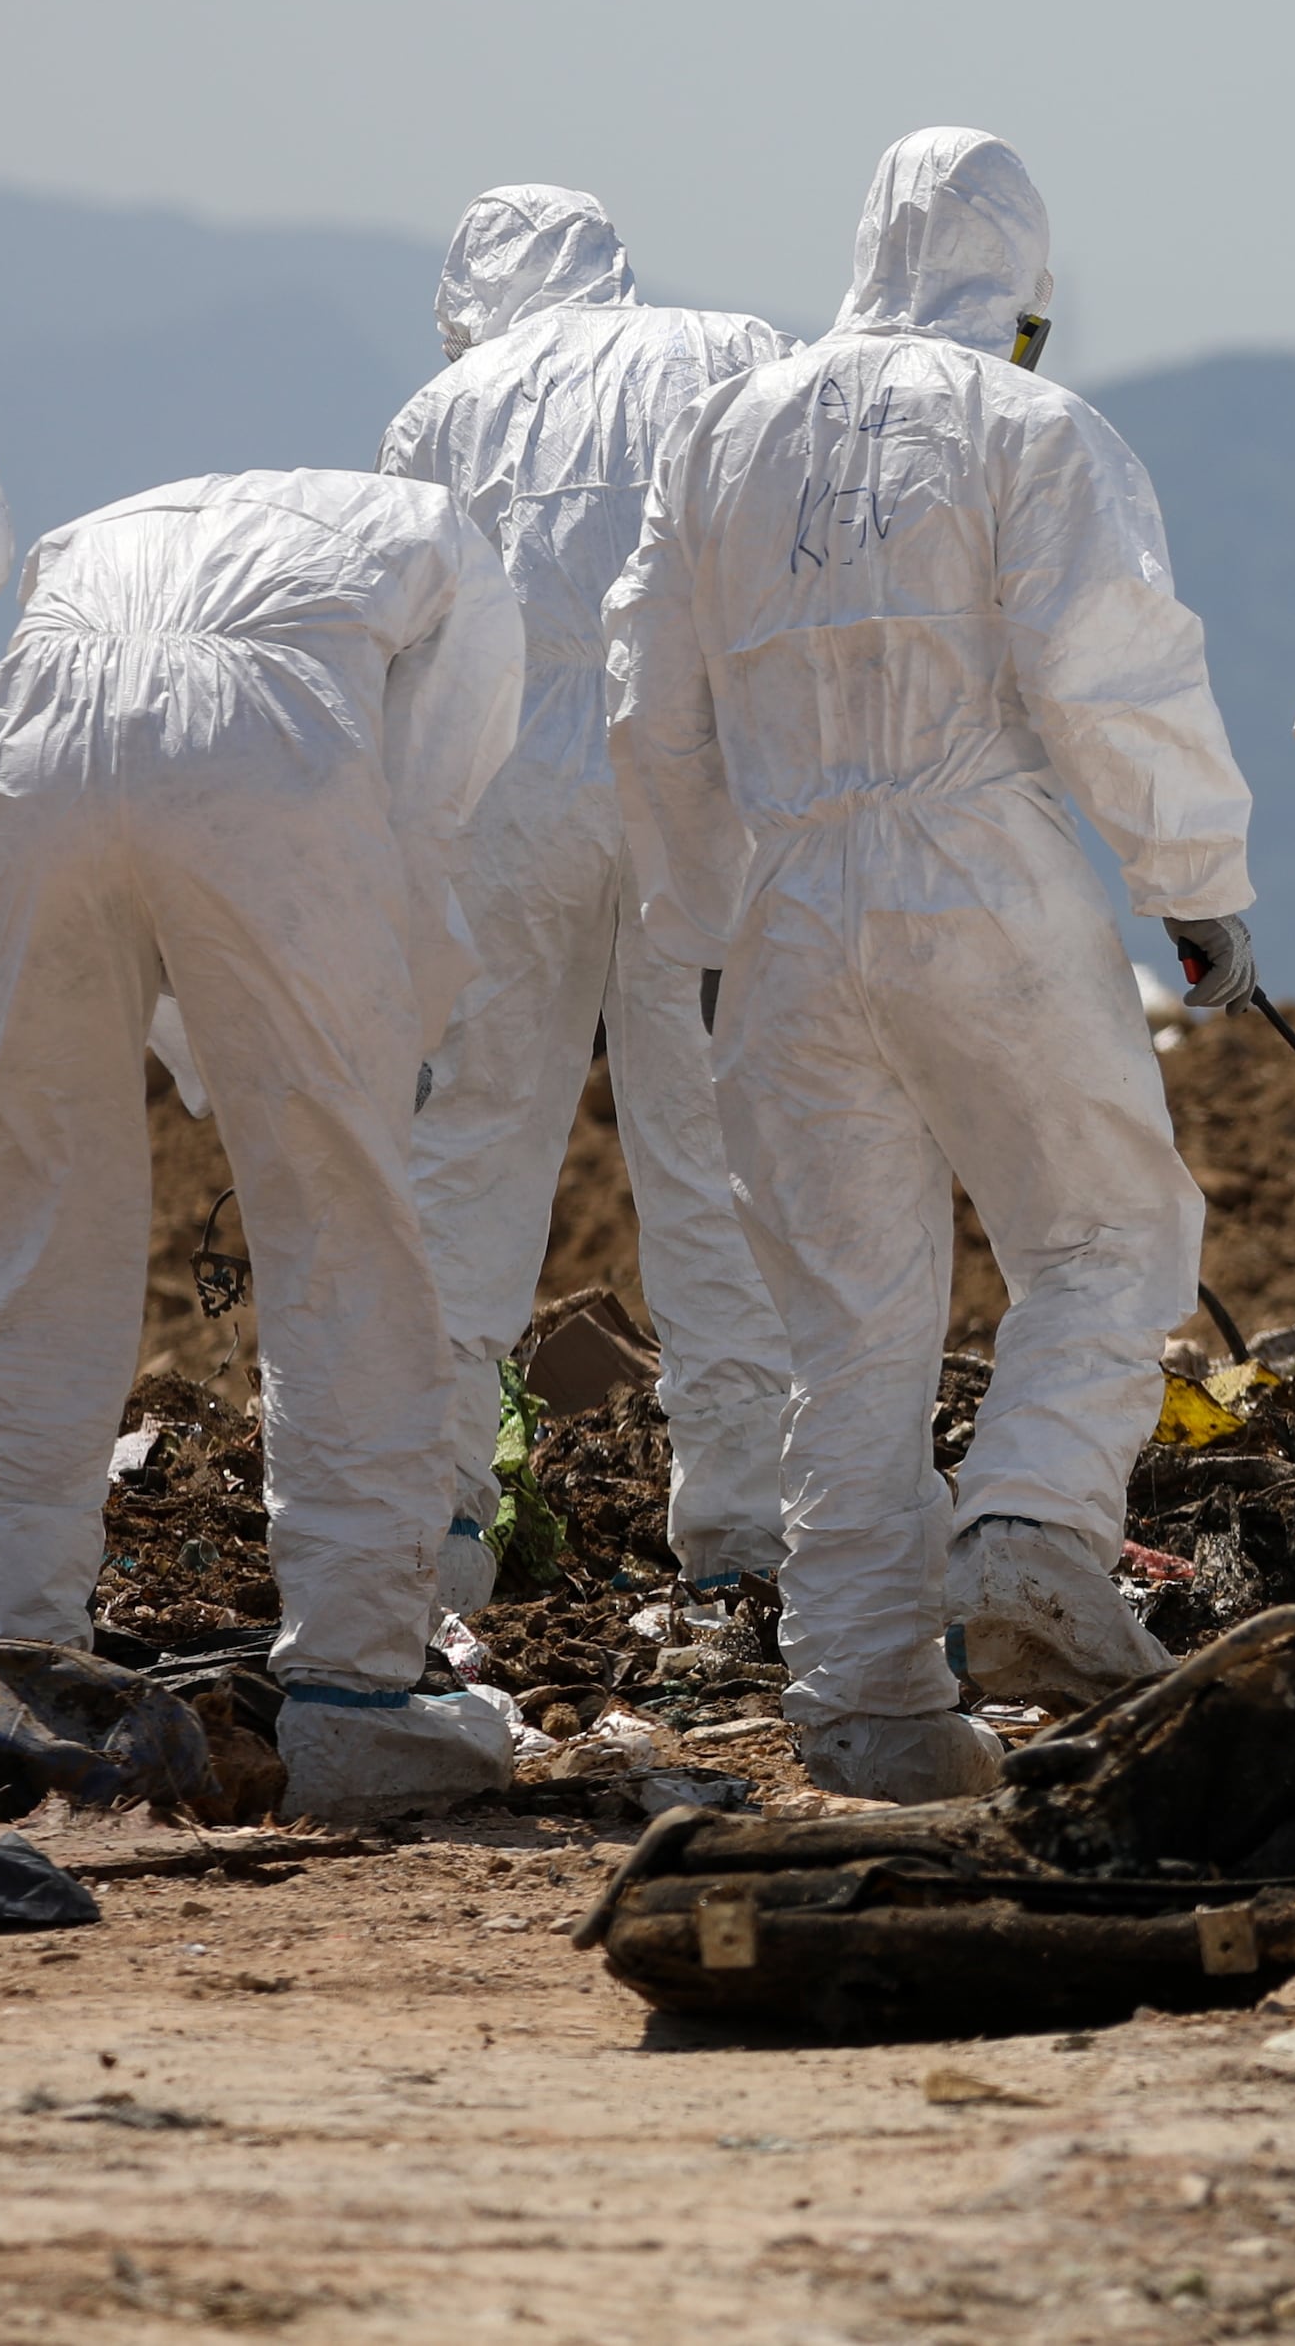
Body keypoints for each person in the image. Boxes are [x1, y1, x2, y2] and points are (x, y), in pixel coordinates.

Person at [609, 130, 1262, 1803]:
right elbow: (1113, 675)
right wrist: (1195, 881)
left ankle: (872, 1702)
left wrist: (695, 921)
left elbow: (652, 708)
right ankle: (1037, 1528)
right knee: (1108, 1230)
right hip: (980, 876)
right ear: (1020, 297)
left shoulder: (722, 431)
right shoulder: (1033, 427)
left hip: (787, 906)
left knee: (853, 1323)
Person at [0, 468, 520, 1817]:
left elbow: (53, 785)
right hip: (266, 749)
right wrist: (366, 1029)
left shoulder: (94, 531)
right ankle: (363, 1696)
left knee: (35, 1221)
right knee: (338, 1224)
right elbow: (427, 802)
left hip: (41, 747)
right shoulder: (445, 546)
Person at [380, 187, 793, 1619]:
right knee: (719, 1150)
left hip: (503, 774)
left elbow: (406, 632)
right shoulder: (733, 342)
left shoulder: (451, 403)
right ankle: (746, 1538)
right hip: (690, 760)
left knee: (471, 1152)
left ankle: (425, 1538)